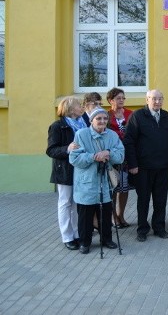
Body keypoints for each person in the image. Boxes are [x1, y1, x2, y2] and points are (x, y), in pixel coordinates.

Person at [69, 107, 125, 254]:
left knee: (106, 212)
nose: (102, 121)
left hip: (105, 181)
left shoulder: (112, 135)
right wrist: (93, 156)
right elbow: (74, 158)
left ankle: (106, 239)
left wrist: (109, 153)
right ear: (92, 120)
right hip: (87, 181)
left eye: (105, 118)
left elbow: (120, 155)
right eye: (98, 118)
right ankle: (85, 242)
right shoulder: (81, 134)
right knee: (85, 215)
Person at [124, 90, 168, 242]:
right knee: (143, 200)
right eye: (154, 99)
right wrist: (132, 164)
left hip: (163, 166)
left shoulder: (166, 116)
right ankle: (142, 229)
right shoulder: (137, 116)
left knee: (161, 200)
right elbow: (129, 141)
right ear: (147, 100)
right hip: (142, 167)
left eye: (160, 98)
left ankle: (159, 227)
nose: (157, 102)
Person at [46, 96, 84, 250]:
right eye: (78, 105)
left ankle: (77, 234)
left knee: (77, 203)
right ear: (70, 108)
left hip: (81, 168)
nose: (81, 107)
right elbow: (51, 150)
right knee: (65, 202)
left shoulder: (84, 123)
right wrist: (67, 149)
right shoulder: (57, 126)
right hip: (65, 170)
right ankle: (67, 237)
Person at [105, 88, 133, 228]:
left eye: (123, 98)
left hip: (127, 157)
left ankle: (121, 214)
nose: (121, 100)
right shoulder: (106, 115)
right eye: (118, 98)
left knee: (124, 187)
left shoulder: (130, 114)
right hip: (112, 158)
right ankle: (113, 216)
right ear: (111, 101)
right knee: (113, 188)